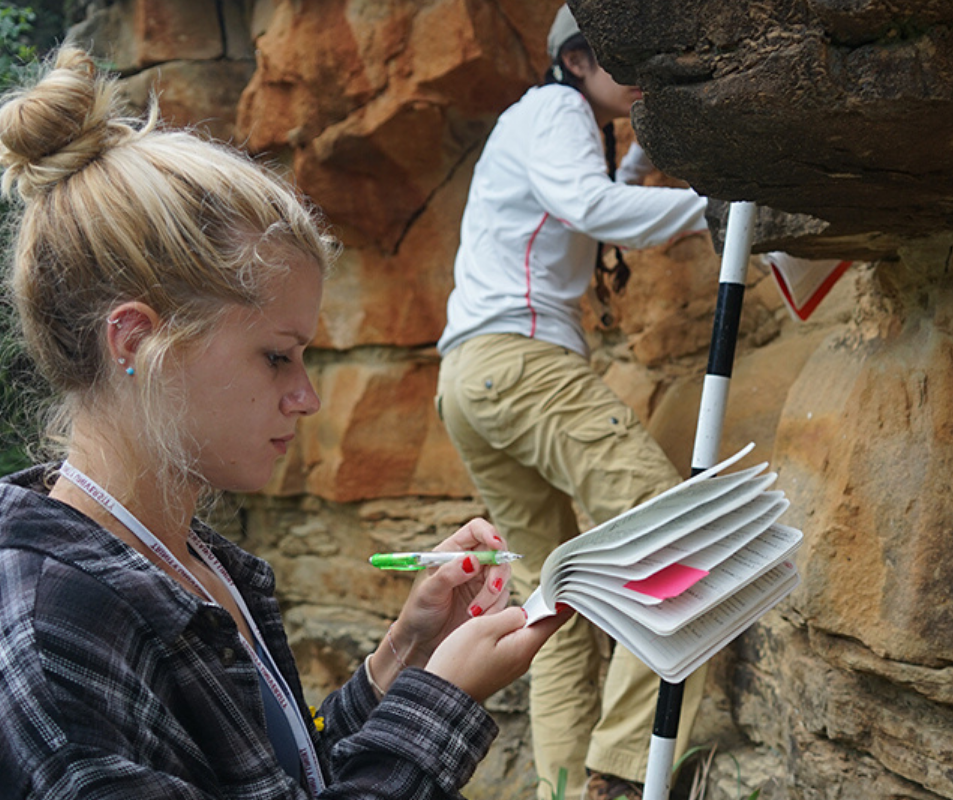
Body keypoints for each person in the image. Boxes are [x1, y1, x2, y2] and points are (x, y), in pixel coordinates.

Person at [0, 46, 570, 799]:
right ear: (137, 340)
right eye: (277, 357)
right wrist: (442, 706)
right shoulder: (55, 633)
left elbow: (283, 779)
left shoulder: (190, 560)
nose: (308, 397)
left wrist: (405, 655)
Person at [435, 7, 711, 800]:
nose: (643, 70)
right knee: (679, 539)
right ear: (580, 57)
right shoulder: (553, 106)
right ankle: (623, 773)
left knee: (551, 605)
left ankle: (561, 789)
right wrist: (714, 205)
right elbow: (587, 210)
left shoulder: (558, 120)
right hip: (524, 365)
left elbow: (587, 202)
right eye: (627, 56)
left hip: (470, 381)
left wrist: (639, 160)